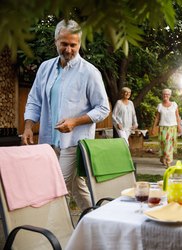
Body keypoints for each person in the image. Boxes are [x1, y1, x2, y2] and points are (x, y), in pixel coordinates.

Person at [22, 19, 110, 211]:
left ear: (79, 44)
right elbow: (34, 100)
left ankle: (55, 234)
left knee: (57, 190)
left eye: (73, 45)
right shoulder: (45, 68)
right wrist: (28, 127)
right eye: (64, 44)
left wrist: (75, 122)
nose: (69, 49)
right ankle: (97, 220)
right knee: (78, 188)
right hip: (49, 142)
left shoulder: (89, 72)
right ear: (56, 41)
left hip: (74, 141)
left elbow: (103, 108)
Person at [152, 89, 182, 167]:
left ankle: (168, 161)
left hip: (172, 128)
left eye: (167, 94)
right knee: (164, 144)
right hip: (163, 128)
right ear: (162, 95)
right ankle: (163, 158)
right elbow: (157, 118)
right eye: (164, 94)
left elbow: (177, 116)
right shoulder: (160, 106)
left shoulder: (174, 105)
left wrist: (179, 127)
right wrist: (153, 127)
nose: (166, 95)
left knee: (169, 144)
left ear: (170, 95)